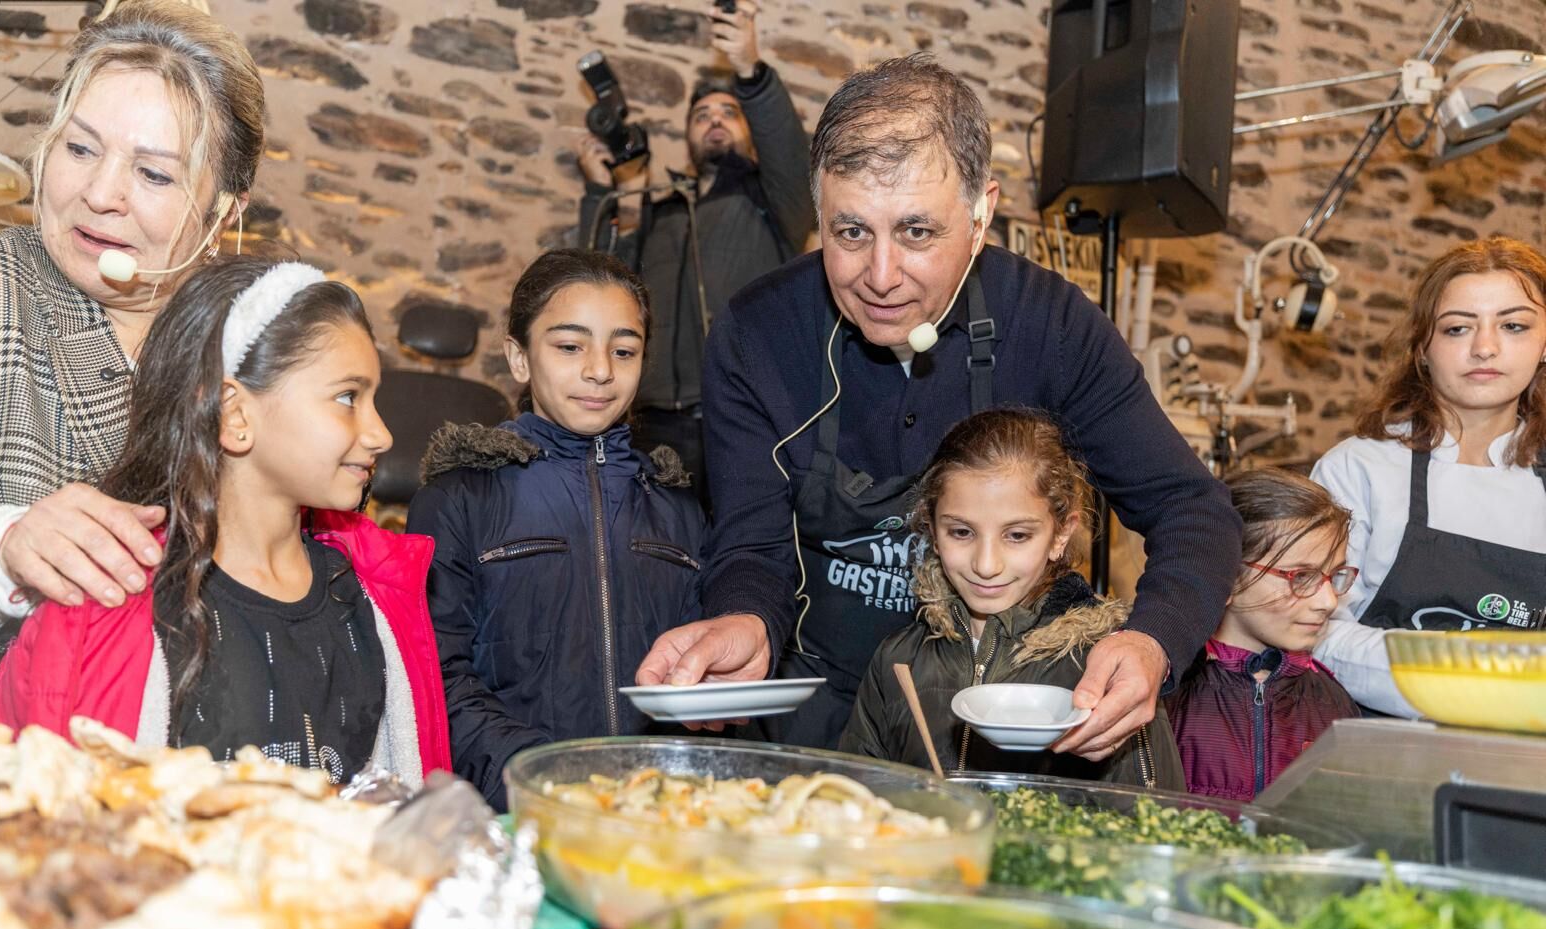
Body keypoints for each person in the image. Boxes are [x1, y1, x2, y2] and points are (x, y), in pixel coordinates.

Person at [636, 54, 1242, 754]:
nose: (881, 277)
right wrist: (742, 619)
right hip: (817, 716)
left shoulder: (1050, 324)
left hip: (1000, 725)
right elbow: (751, 541)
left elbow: (1193, 509)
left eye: (917, 232)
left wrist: (1153, 640)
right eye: (851, 232)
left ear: (981, 214)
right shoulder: (756, 336)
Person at [0, 256, 452, 784]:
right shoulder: (103, 601)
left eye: (373, 400)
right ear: (235, 415)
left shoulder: (380, 598)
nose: (381, 434)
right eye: (348, 397)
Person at [0, 0, 264, 731]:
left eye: (153, 174)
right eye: (81, 149)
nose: (99, 194)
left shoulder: (254, 354)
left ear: (224, 209)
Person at [406, 250, 706, 811]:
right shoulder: (460, 497)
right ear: (519, 358)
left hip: (654, 811)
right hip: (513, 806)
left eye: (624, 350)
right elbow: (436, 676)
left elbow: (696, 677)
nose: (600, 370)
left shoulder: (676, 506)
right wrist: (547, 779)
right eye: (570, 346)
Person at [839, 410, 1184, 788]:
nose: (986, 565)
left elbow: (1151, 821)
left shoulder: (1108, 673)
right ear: (932, 529)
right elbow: (855, 808)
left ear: (1060, 535)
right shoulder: (897, 659)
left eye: (1017, 535)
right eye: (961, 532)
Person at [575, 0, 814, 505]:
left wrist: (751, 71)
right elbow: (595, 283)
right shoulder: (660, 211)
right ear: (687, 135)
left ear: (750, 130)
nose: (715, 121)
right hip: (650, 418)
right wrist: (604, 191)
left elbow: (789, 155)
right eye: (702, 115)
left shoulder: (771, 201)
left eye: (730, 112)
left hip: (739, 414)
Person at [1311, 237, 1546, 717]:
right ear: (1423, 348)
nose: (1485, 347)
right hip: (1371, 753)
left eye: (1514, 325)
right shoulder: (1359, 470)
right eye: (1458, 329)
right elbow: (1316, 630)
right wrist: (1465, 684)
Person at [1167, 469, 1360, 802]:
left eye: (1335, 576)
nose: (1328, 601)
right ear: (1227, 573)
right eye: (1302, 577)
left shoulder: (1334, 706)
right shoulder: (1167, 695)